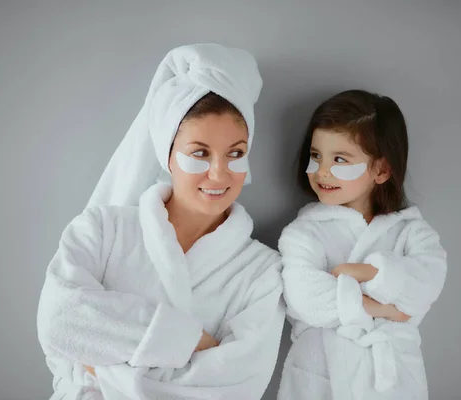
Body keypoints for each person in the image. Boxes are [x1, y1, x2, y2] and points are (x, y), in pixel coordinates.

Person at [37, 43, 285, 400]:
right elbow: (60, 320)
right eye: (199, 153)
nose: (219, 173)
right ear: (167, 155)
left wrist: (107, 370)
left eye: (236, 153)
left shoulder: (262, 272)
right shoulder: (103, 229)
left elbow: (236, 387)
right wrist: (191, 341)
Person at [277, 89, 447, 400]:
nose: (322, 170)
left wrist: (364, 272)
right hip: (321, 376)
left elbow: (428, 281)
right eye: (316, 156)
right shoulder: (303, 232)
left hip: (392, 377)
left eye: (340, 159)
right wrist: (388, 309)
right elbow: (306, 298)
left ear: (381, 170)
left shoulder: (411, 230)